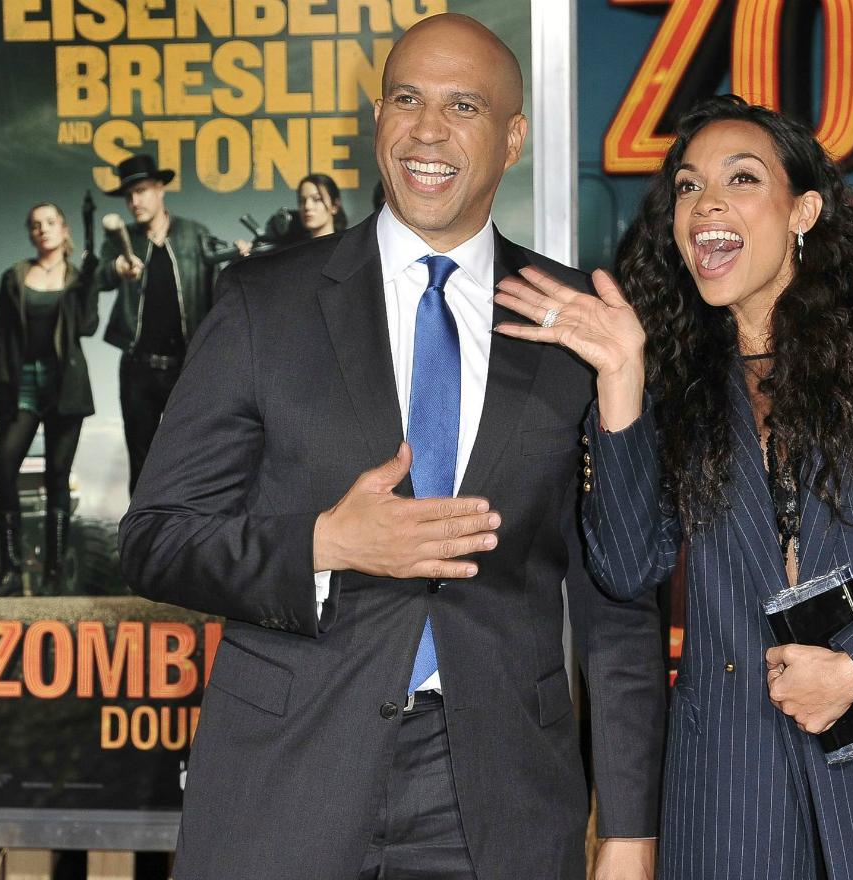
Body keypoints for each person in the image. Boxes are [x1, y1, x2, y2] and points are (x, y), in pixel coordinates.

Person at [118, 14, 665, 880]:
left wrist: (631, 829)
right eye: (406, 98)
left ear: (514, 137)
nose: (428, 130)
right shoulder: (266, 303)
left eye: (464, 106)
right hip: (284, 779)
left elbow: (616, 604)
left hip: (497, 796)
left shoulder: (577, 322)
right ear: (377, 118)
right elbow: (155, 537)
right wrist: (324, 546)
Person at [496, 95, 853, 879]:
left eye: (741, 179)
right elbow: (625, 567)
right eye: (688, 187)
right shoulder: (676, 380)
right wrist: (620, 382)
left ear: (804, 211)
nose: (706, 202)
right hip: (736, 790)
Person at [0, 203, 99, 597]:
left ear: (64, 229)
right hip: (24, 384)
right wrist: (4, 388)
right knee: (3, 469)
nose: (42, 229)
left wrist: (89, 280)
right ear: (30, 233)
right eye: (35, 224)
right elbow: (0, 337)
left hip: (65, 385)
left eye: (50, 223)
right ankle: (11, 573)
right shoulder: (14, 277)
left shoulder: (77, 277)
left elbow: (88, 326)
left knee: (57, 476)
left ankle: (53, 576)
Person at [97, 153, 219, 495]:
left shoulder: (194, 235)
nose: (134, 201)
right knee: (142, 465)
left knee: (192, 461)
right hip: (137, 368)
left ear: (160, 189)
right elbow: (99, 277)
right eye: (129, 195)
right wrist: (117, 268)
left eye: (142, 191)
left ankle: (186, 544)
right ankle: (143, 546)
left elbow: (219, 290)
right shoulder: (122, 240)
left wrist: (240, 259)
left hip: (187, 367)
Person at [295, 172, 346, 239]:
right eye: (302, 201)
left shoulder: (348, 245)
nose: (307, 206)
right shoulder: (295, 248)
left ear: (335, 206)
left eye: (317, 199)